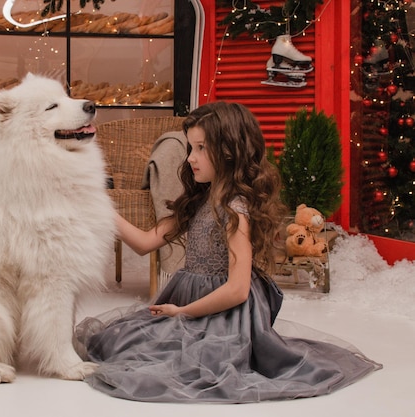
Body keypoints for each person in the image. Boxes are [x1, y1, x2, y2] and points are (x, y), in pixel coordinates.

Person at [75, 102, 381, 403]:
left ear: (228, 151)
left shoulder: (235, 209)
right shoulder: (198, 201)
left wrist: (182, 312)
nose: (191, 158)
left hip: (224, 313)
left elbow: (237, 290)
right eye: (190, 149)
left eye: (200, 148)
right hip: (191, 295)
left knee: (181, 363)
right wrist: (98, 203)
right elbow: (143, 243)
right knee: (120, 342)